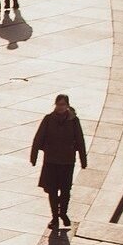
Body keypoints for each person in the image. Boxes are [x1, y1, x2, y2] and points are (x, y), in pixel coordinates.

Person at [30, 94, 87, 230]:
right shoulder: (48, 119)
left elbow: (80, 140)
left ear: (67, 106)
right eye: (58, 104)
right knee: (52, 190)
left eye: (63, 105)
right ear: (55, 105)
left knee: (66, 190)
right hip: (51, 161)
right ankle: (55, 217)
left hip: (67, 161)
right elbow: (38, 138)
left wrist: (83, 160)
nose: (60, 107)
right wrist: (34, 156)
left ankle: (63, 213)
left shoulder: (74, 121)